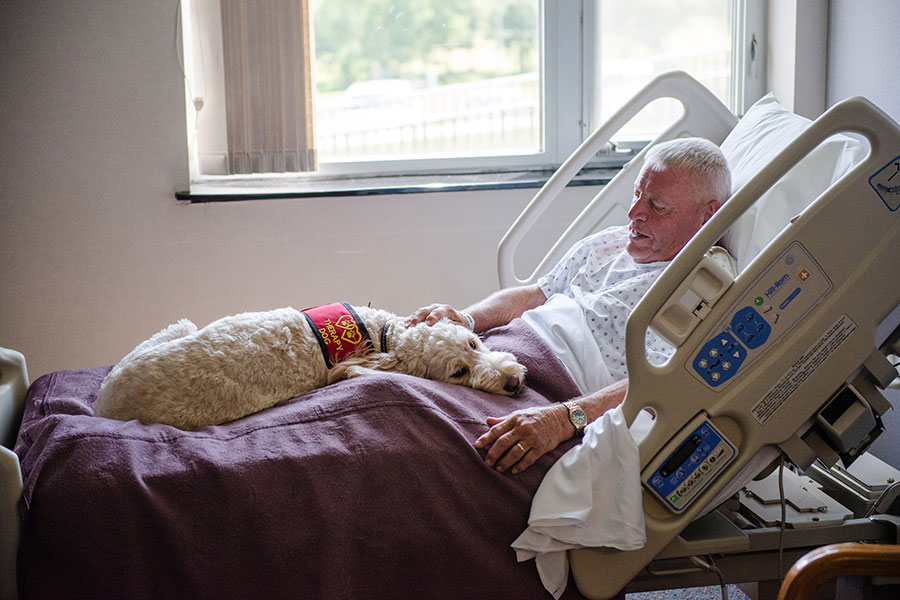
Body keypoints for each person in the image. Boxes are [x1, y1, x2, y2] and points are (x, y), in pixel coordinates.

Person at [406, 137, 732, 475]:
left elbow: (660, 382)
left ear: (708, 215)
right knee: (381, 383)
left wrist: (563, 419)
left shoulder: (704, 282)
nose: (634, 213)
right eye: (636, 194)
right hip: (498, 355)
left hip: (551, 393)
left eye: (657, 205)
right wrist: (465, 318)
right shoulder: (609, 243)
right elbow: (535, 294)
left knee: (403, 435)